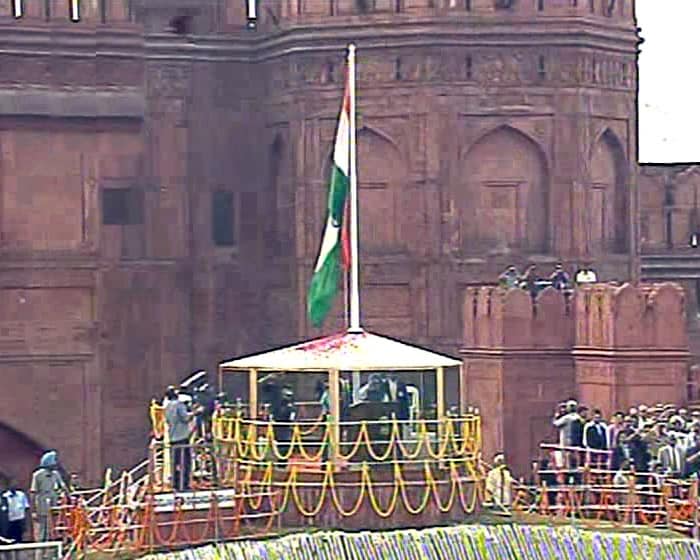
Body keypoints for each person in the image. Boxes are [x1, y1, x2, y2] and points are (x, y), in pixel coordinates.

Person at [30, 451, 68, 542]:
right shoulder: (37, 475)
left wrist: (67, 495)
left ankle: (54, 540)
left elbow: (63, 487)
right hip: (42, 503)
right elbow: (33, 492)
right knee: (44, 525)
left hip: (54, 503)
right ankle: (42, 543)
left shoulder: (56, 474)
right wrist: (34, 510)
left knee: (55, 524)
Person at [164, 386, 194, 492]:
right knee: (185, 462)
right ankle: (184, 485)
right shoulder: (179, 404)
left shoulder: (166, 406)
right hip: (182, 437)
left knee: (175, 462)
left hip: (172, 438)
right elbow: (185, 418)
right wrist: (195, 412)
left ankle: (176, 484)